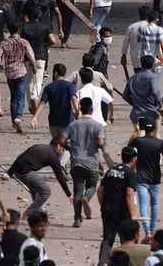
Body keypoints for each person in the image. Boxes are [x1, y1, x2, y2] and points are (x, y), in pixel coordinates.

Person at [128, 118, 163, 241]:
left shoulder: (139, 141)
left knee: (143, 205)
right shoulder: (160, 143)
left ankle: (147, 231)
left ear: (144, 129)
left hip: (141, 177)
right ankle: (152, 231)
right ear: (154, 128)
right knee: (154, 204)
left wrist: (135, 132)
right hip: (155, 178)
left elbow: (128, 147)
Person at [63, 97, 105, 227]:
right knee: (92, 186)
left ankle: (77, 218)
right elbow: (100, 143)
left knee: (77, 191)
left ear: (80, 108)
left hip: (76, 162)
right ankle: (87, 197)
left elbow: (62, 141)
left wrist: (71, 149)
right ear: (91, 110)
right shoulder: (97, 125)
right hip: (91, 162)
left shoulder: (73, 125)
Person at [7, 137, 73, 216]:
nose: (62, 152)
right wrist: (69, 194)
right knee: (46, 191)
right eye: (63, 149)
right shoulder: (53, 156)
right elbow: (60, 176)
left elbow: (21, 157)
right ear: (58, 146)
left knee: (36, 189)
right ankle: (30, 212)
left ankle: (39, 212)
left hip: (17, 170)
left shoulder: (38, 146)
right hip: (25, 172)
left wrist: (10, 171)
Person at [97, 147, 139, 266]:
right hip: (122, 211)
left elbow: (100, 190)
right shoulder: (130, 174)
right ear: (133, 159)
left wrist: (103, 206)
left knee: (107, 239)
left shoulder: (111, 171)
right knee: (126, 239)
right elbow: (129, 195)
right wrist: (132, 215)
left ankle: (102, 262)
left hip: (108, 209)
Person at [0, 21, 36, 133]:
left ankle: (14, 120)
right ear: (18, 30)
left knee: (13, 96)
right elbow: (31, 56)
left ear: (9, 30)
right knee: (21, 95)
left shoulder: (5, 43)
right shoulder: (24, 42)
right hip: (21, 72)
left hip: (9, 73)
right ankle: (18, 117)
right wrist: (33, 65)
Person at [31, 63, 80, 137]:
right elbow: (74, 99)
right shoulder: (70, 86)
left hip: (53, 122)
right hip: (67, 121)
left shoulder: (49, 87)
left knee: (55, 145)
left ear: (55, 73)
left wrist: (35, 117)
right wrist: (78, 112)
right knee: (66, 145)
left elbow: (42, 103)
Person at [21, 7, 55, 113]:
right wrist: (46, 45)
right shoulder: (45, 27)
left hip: (27, 56)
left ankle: (30, 103)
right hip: (40, 55)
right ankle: (34, 96)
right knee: (38, 80)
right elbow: (52, 40)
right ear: (39, 16)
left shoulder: (24, 27)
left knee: (29, 80)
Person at [124, 55, 163, 139]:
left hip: (137, 112)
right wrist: (161, 105)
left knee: (139, 135)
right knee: (156, 136)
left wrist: (134, 103)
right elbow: (155, 92)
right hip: (152, 112)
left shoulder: (132, 78)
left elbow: (125, 95)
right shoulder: (153, 77)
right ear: (152, 66)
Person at [139, 11, 163, 78]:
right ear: (157, 19)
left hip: (144, 59)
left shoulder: (142, 28)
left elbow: (139, 40)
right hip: (156, 60)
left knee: (145, 81)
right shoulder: (159, 29)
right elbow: (162, 45)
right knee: (155, 82)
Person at [122, 6, 151, 73]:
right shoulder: (153, 27)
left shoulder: (132, 27)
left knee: (138, 76)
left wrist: (124, 55)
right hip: (150, 57)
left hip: (136, 57)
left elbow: (125, 43)